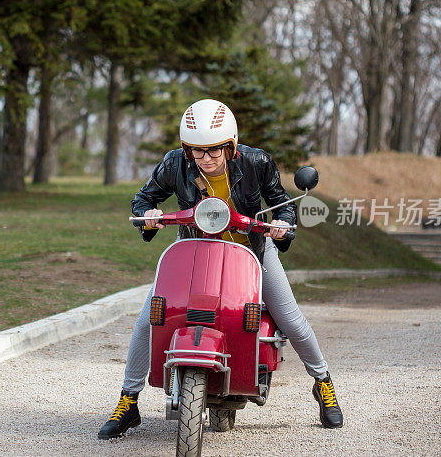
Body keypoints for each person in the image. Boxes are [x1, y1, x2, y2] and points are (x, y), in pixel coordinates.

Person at [97, 99, 343, 440]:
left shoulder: (257, 161)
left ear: (230, 146)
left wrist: (281, 224)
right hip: (195, 250)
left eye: (215, 150)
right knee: (149, 320)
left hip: (251, 250)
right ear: (187, 150)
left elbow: (282, 204)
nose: (207, 158)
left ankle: (322, 382)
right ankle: (128, 400)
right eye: (197, 152)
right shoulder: (174, 163)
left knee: (291, 319)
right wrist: (150, 214)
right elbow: (143, 199)